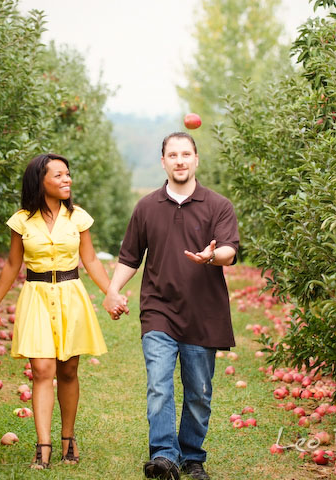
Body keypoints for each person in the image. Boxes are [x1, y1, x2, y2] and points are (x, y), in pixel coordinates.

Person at [103, 132, 240, 480]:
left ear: (196, 159)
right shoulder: (147, 207)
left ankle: (192, 456)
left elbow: (229, 251)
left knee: (198, 393)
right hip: (158, 310)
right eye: (172, 155)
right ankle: (164, 455)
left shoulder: (218, 205)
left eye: (186, 154)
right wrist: (113, 289)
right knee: (160, 385)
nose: (180, 160)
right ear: (163, 162)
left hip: (203, 312)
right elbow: (130, 257)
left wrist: (212, 257)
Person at [0, 153, 124, 470]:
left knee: (69, 371)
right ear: (40, 180)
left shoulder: (78, 218)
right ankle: (42, 447)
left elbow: (91, 260)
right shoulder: (22, 221)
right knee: (42, 371)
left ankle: (68, 440)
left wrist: (111, 293)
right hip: (36, 296)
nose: (66, 180)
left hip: (71, 296)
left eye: (68, 174)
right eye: (58, 175)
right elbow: (11, 264)